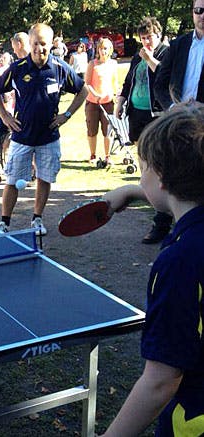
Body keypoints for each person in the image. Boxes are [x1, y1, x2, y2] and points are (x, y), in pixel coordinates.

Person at [99, 102, 204, 437]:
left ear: (159, 178)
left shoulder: (178, 261)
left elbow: (161, 381)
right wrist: (133, 190)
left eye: (141, 170)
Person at [0, 23, 87, 235]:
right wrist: (5, 116)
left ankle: (37, 219)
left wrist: (67, 115)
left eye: (43, 44)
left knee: (44, 179)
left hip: (48, 138)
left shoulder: (60, 68)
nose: (39, 49)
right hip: (21, 137)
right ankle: (4, 222)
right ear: (29, 43)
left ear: (51, 44)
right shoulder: (18, 68)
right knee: (13, 181)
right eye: (35, 44)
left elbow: (83, 90)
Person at [147, 0, 204, 244]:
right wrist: (172, 108)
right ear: (192, 13)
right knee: (169, 171)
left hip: (201, 123)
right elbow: (160, 82)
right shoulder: (179, 44)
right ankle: (162, 225)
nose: (202, 15)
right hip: (176, 120)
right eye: (198, 10)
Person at [115, 17, 169, 245]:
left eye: (150, 36)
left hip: (157, 114)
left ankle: (162, 218)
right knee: (144, 161)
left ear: (159, 35)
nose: (147, 41)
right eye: (143, 37)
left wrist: (150, 59)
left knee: (161, 163)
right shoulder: (138, 55)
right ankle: (149, 195)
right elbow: (129, 81)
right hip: (136, 113)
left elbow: (165, 77)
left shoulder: (167, 52)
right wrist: (120, 101)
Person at [84, 37, 118, 165]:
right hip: (92, 102)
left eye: (106, 48)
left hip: (108, 103)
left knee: (108, 130)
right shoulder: (93, 64)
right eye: (101, 48)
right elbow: (87, 83)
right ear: (98, 49)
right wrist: (95, 94)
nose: (103, 51)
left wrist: (116, 94)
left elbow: (115, 83)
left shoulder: (113, 64)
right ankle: (93, 155)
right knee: (92, 130)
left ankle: (107, 156)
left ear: (110, 50)